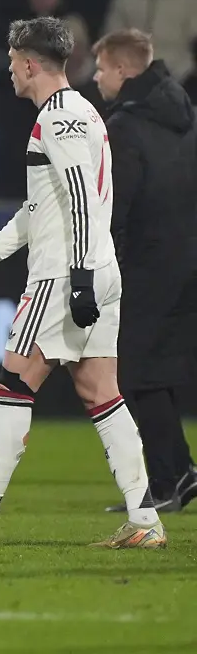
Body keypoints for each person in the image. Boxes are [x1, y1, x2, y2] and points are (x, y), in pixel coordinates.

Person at [0, 17, 167, 549]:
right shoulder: (81, 113)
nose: (8, 70)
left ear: (30, 63)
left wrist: (76, 279)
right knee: (102, 393)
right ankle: (145, 521)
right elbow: (39, 209)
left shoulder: (60, 116)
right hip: (99, 270)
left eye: (11, 61)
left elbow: (78, 195)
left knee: (12, 385)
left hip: (64, 276)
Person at [91, 29, 197, 512]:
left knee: (132, 373)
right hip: (185, 260)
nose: (96, 78)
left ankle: (167, 479)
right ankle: (181, 473)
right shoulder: (184, 117)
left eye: (101, 69)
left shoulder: (125, 127)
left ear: (123, 71)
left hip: (146, 265)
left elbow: (118, 208)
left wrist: (106, 267)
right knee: (157, 372)